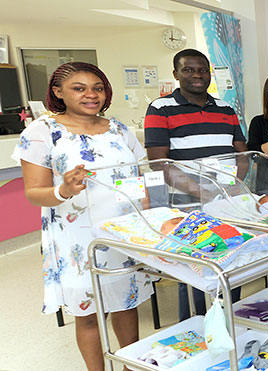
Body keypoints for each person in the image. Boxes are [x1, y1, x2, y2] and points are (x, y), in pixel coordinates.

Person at [13, 62, 152, 371]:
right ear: (58, 93)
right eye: (80, 88)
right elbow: (34, 192)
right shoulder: (41, 131)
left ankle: (131, 366)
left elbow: (136, 175)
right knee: (88, 312)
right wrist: (64, 189)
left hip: (124, 232)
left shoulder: (118, 128)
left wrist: (147, 206)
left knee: (126, 302)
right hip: (76, 236)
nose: (91, 95)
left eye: (97, 88)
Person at [144, 48, 247, 321]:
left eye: (202, 70)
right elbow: (159, 162)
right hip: (187, 204)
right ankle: (197, 330)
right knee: (196, 273)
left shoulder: (226, 109)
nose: (197, 75)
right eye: (188, 70)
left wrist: (234, 187)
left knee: (229, 263)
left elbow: (242, 154)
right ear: (176, 74)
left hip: (226, 200)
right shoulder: (160, 108)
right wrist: (202, 192)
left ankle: (230, 324)